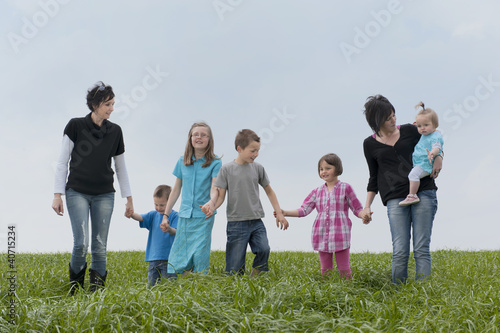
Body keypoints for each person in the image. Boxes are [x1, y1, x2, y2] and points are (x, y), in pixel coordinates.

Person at [52, 81, 134, 294]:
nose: (112, 109)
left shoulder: (116, 131)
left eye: (113, 104)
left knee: (99, 246)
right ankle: (75, 290)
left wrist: (129, 198)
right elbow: (62, 162)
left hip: (105, 195)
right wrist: (57, 195)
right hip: (76, 192)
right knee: (81, 243)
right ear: (95, 104)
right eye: (108, 104)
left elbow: (121, 167)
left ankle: (96, 293)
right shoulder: (75, 126)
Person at [361, 94, 442, 284]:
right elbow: (373, 178)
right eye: (387, 118)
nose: (393, 119)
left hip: (424, 192)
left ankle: (423, 295)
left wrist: (440, 157)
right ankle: (399, 295)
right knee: (400, 250)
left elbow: (434, 140)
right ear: (376, 121)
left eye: (393, 115)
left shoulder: (411, 131)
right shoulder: (369, 144)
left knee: (421, 248)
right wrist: (367, 206)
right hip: (395, 199)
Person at [210, 129, 289, 277]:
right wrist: (212, 208)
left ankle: (253, 279)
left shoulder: (258, 168)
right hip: (236, 223)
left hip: (256, 220)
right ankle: (235, 291)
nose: (256, 154)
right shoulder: (226, 169)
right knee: (234, 268)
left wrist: (279, 212)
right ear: (239, 149)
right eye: (253, 151)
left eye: (258, 151)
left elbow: (269, 191)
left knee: (264, 249)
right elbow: (220, 197)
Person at [278, 153, 370, 279]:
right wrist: (285, 212)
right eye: (321, 169)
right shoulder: (317, 192)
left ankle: (348, 288)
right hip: (322, 234)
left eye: (328, 168)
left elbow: (357, 208)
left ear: (337, 169)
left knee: (344, 268)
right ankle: (327, 290)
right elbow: (304, 210)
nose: (324, 171)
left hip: (340, 234)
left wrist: (364, 215)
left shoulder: (345, 188)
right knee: (325, 269)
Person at [160, 122, 221, 276]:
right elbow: (175, 190)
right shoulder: (182, 161)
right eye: (196, 134)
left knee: (200, 254)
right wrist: (165, 216)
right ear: (190, 138)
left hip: (204, 216)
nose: (199, 137)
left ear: (209, 139)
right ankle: (185, 292)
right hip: (185, 216)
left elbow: (215, 188)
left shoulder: (215, 162)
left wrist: (211, 203)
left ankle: (200, 288)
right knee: (181, 256)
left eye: (203, 135)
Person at [128, 185, 178, 286]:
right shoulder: (153, 215)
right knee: (151, 286)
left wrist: (169, 229)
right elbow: (141, 217)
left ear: (170, 202)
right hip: (153, 258)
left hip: (169, 259)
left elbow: (176, 231)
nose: (158, 208)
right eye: (156, 204)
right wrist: (132, 214)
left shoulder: (175, 216)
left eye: (162, 205)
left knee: (168, 286)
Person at [399, 102, 444, 206]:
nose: (422, 128)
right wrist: (417, 126)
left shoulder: (435, 136)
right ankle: (412, 195)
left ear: (435, 125)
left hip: (425, 164)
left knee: (413, 175)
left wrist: (433, 153)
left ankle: (412, 195)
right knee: (414, 174)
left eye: (426, 125)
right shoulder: (426, 134)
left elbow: (437, 147)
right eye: (420, 126)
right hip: (421, 162)